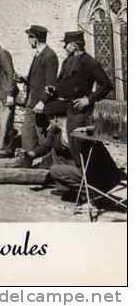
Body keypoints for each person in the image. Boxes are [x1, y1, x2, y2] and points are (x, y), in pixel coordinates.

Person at [43, 30, 113, 195]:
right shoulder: (67, 61)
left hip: (79, 112)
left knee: (78, 148)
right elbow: (64, 84)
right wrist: (54, 89)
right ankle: (68, 185)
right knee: (61, 144)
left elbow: (106, 85)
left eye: (66, 44)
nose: (64, 47)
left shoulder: (89, 62)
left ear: (74, 45)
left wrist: (88, 99)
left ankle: (90, 187)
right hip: (65, 109)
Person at [13, 25, 59, 168]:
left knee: (42, 136)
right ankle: (25, 161)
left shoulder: (50, 56)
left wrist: (42, 102)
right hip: (31, 101)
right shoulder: (38, 54)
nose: (28, 41)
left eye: (29, 37)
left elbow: (51, 84)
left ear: (35, 38)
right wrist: (24, 79)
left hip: (39, 103)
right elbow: (37, 79)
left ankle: (48, 164)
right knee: (27, 134)